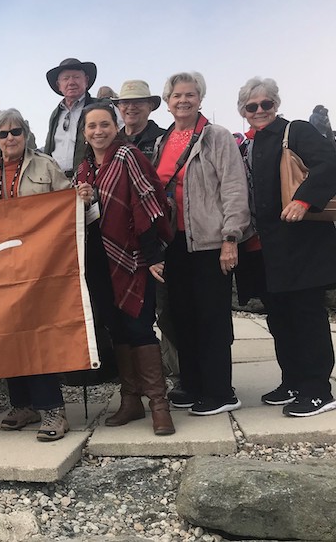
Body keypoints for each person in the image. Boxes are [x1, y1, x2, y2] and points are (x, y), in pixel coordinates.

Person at [0, 109, 73, 441]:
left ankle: (53, 408)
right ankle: (22, 404)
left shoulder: (46, 166)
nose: (10, 138)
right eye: (3, 133)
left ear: (26, 133)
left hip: (38, 264)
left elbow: (66, 205)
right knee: (7, 333)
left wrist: (79, 197)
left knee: (38, 333)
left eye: (16, 131)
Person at [236, 77, 336, 417]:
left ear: (276, 105)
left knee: (307, 316)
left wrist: (304, 200)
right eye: (252, 106)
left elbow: (329, 163)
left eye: (266, 104)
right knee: (280, 317)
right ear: (243, 111)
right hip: (266, 249)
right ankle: (293, 381)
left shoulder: (298, 130)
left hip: (301, 243)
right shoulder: (248, 145)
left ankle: (318, 390)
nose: (260, 110)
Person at [74, 104, 175, 436]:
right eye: (92, 126)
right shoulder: (84, 169)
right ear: (84, 132)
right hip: (100, 261)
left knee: (140, 327)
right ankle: (130, 400)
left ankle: (159, 405)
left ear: (115, 127)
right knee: (117, 328)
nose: (98, 131)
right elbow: (80, 220)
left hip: (132, 257)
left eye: (105, 124)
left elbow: (147, 204)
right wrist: (82, 199)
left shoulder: (128, 156)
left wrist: (153, 255)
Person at [153, 71, 251, 416]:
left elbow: (234, 188)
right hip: (175, 242)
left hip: (210, 241)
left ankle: (220, 390)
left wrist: (231, 238)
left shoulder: (216, 137)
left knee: (212, 318)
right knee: (183, 317)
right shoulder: (163, 142)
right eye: (177, 95)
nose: (183, 101)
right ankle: (193, 384)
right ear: (167, 102)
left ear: (200, 98)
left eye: (190, 94)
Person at [112, 80, 180, 390]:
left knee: (167, 309)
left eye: (138, 102)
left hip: (156, 237)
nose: (130, 107)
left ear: (151, 105)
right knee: (130, 313)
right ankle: (137, 381)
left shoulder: (165, 140)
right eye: (125, 103)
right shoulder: (110, 142)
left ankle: (178, 373)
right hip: (121, 242)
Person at [44, 58, 99, 177]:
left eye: (76, 77)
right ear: (59, 85)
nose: (71, 82)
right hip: (55, 181)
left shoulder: (100, 108)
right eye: (66, 78)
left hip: (89, 179)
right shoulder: (55, 114)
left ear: (86, 80)